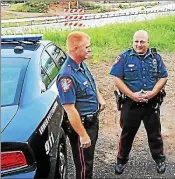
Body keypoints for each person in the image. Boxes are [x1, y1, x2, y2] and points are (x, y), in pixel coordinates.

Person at [109, 30, 168, 175]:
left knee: (155, 134)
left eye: (142, 41)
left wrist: (153, 92)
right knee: (127, 134)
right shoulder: (124, 57)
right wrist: (132, 95)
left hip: (151, 103)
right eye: (136, 41)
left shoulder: (156, 58)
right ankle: (121, 160)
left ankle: (159, 159)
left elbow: (163, 77)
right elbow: (117, 79)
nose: (139, 44)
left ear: (148, 42)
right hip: (131, 104)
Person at [56, 31, 106, 179]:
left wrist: (99, 98)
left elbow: (91, 82)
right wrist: (83, 135)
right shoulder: (67, 76)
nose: (90, 49)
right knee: (84, 166)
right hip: (81, 127)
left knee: (88, 161)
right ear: (75, 49)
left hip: (91, 122)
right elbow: (70, 109)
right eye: (87, 47)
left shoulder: (80, 64)